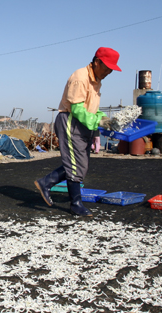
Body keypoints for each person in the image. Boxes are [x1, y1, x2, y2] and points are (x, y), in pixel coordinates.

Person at [34, 47, 120, 217]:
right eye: (107, 67)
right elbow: (78, 109)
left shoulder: (96, 80)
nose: (109, 71)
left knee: (80, 164)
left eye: (112, 69)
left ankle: (46, 182)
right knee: (76, 165)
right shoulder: (80, 78)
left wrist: (105, 119)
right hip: (71, 121)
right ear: (97, 62)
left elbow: (92, 108)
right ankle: (76, 204)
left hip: (82, 124)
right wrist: (100, 122)